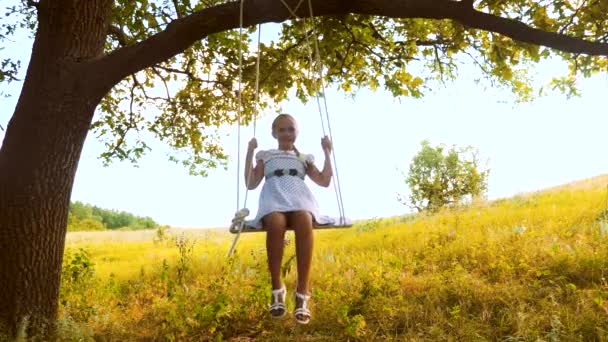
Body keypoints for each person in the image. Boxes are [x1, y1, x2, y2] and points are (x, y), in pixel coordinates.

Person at [244, 113, 333, 324]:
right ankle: (277, 287)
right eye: (282, 129)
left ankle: (302, 293)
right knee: (275, 221)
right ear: (274, 133)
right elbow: (251, 183)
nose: (286, 133)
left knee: (304, 218)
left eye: (291, 129)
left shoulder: (304, 158)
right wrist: (249, 152)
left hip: (300, 199)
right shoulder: (266, 155)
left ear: (297, 132)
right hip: (273, 199)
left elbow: (323, 181)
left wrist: (327, 152)